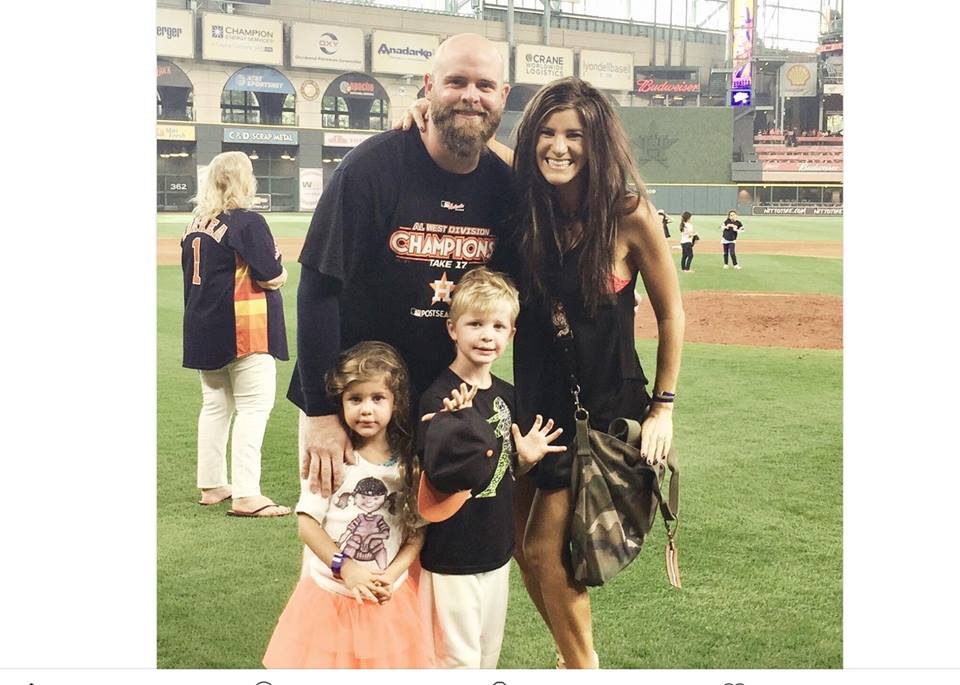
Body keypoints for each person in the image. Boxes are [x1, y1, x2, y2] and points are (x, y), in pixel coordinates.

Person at [286, 33, 515, 504]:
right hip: (359, 402)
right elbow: (316, 291)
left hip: (449, 402)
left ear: (503, 96)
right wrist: (322, 412)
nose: (471, 95)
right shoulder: (370, 169)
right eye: (456, 82)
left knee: (435, 555)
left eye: (485, 85)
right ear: (428, 87)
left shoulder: (506, 186)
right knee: (349, 548)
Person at [508, 77, 684, 669]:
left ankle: (583, 669)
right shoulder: (526, 207)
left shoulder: (628, 214)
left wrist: (664, 406)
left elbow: (671, 312)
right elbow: (481, 146)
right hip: (535, 403)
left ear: (597, 142)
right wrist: (424, 116)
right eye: (548, 133)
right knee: (519, 548)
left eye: (575, 135)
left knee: (544, 549)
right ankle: (571, 658)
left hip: (600, 408)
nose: (559, 147)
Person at [416, 267, 565, 668]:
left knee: (486, 659)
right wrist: (449, 429)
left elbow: (501, 470)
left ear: (511, 335)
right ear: (453, 329)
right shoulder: (439, 396)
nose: (487, 335)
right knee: (454, 663)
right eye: (476, 324)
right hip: (451, 554)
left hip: (497, 550)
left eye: (499, 326)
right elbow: (440, 472)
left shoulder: (507, 395)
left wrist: (524, 459)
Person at [263, 341, 440, 668]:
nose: (366, 409)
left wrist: (391, 575)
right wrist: (346, 568)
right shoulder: (333, 459)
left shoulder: (406, 466)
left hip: (387, 598)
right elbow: (307, 524)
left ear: (395, 402)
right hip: (330, 597)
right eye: (355, 399)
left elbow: (416, 534)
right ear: (341, 402)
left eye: (377, 398)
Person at [181, 150, 291, 518]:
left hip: (202, 328)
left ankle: (212, 484)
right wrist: (283, 275)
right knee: (254, 408)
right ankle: (247, 494)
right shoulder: (247, 221)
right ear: (243, 181)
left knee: (215, 407)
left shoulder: (195, 223)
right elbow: (269, 275)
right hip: (245, 329)